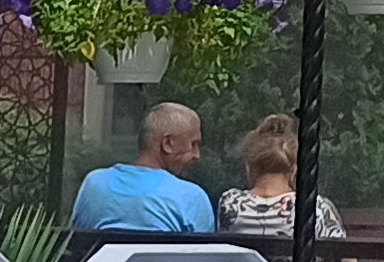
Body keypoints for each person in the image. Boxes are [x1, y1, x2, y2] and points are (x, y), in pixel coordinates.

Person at [72, 101, 217, 233]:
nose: (197, 155)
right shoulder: (191, 197)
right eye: (193, 144)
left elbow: (75, 245)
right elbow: (206, 254)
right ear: (167, 144)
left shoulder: (94, 184)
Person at [217, 113, 342, 243]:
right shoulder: (314, 207)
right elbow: (342, 253)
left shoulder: (230, 203)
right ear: (294, 168)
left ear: (249, 165)